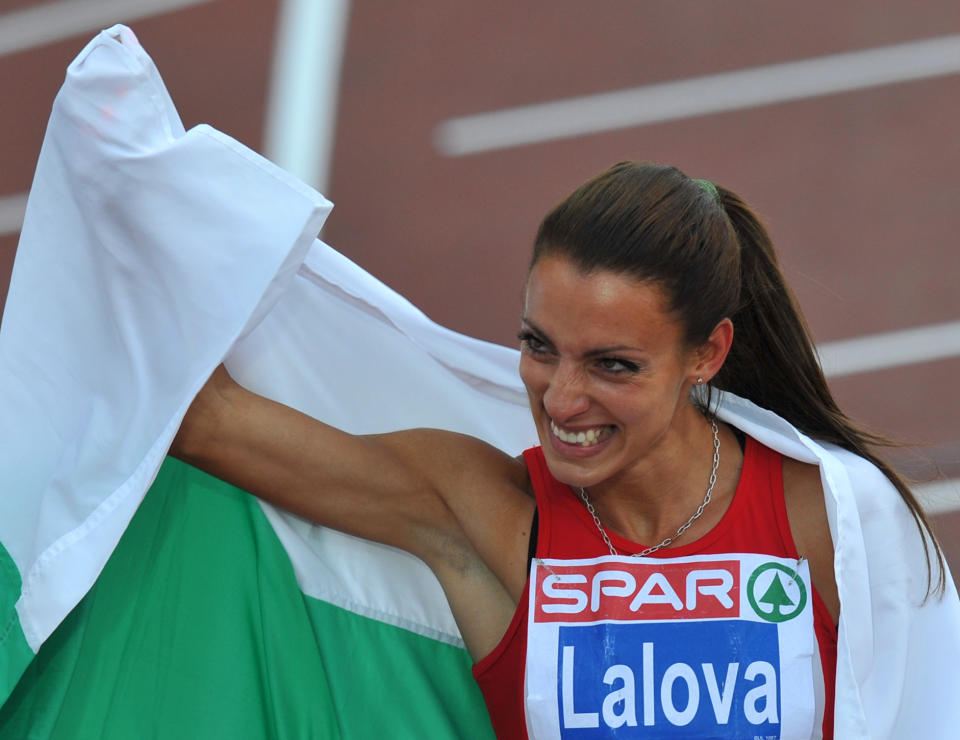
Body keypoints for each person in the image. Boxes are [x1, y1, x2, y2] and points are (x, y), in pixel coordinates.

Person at [172, 161, 950, 739]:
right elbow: (206, 422)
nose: (561, 398)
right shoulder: (492, 516)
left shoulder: (833, 517)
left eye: (613, 364)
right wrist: (133, 198)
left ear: (707, 354)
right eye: (541, 347)